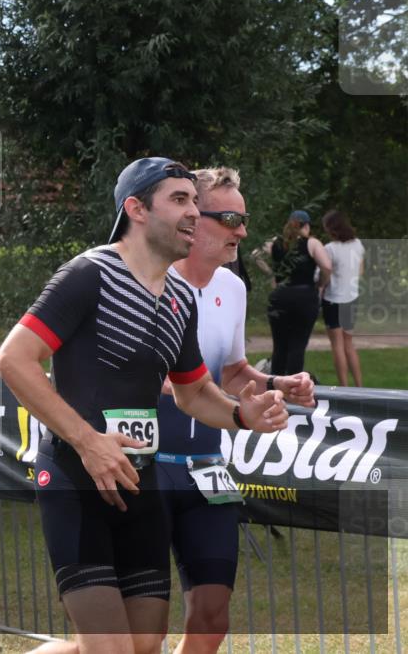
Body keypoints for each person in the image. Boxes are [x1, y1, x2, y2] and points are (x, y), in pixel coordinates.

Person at [0, 157, 288, 654]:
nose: (194, 212)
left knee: (143, 647)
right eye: (179, 200)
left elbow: (194, 393)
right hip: (76, 479)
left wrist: (241, 414)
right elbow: (13, 360)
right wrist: (89, 443)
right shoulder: (89, 274)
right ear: (136, 208)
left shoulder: (179, 298)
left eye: (195, 201)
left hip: (141, 486)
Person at [155, 168, 315, 654]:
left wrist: (276, 383)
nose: (242, 232)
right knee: (132, 636)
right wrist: (211, 396)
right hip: (144, 466)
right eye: (229, 218)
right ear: (190, 219)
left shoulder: (233, 287)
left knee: (212, 618)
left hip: (206, 469)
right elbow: (128, 375)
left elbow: (231, 369)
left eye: (243, 220)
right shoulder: (146, 281)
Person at [254, 210, 331, 375]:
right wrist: (321, 283)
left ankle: (276, 387)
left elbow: (255, 255)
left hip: (280, 296)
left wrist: (271, 273)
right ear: (307, 225)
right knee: (298, 344)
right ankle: (293, 388)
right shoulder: (312, 243)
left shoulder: (276, 242)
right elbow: (326, 266)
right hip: (304, 297)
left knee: (280, 346)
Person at [321, 210, 365, 387]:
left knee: (337, 345)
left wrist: (320, 286)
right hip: (352, 298)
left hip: (333, 299)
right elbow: (360, 271)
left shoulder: (330, 249)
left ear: (332, 229)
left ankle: (344, 388)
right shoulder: (358, 244)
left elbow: (326, 274)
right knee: (349, 344)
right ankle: (359, 387)